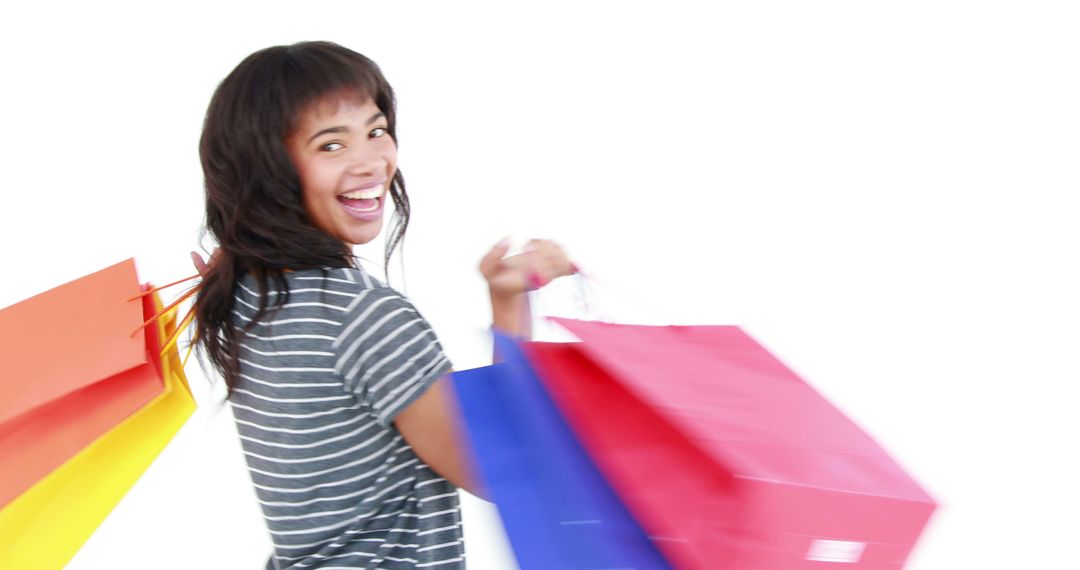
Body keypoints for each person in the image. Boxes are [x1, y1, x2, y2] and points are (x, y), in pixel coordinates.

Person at [192, 41, 574, 570]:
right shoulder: (365, 316)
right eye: (330, 146)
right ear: (267, 169)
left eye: (376, 131)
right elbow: (506, 472)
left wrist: (505, 298)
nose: (371, 162)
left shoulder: (241, 296)